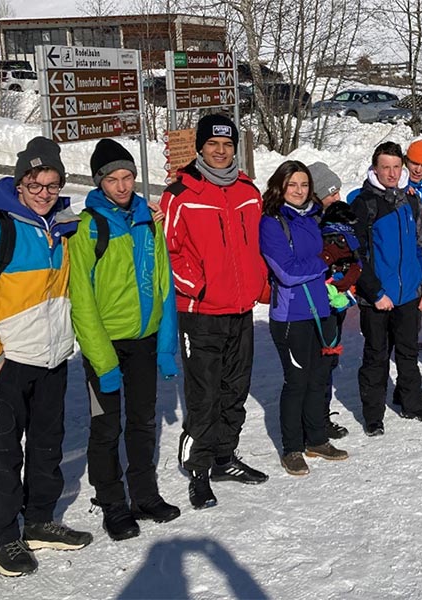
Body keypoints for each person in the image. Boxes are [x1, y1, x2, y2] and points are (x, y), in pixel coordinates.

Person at [0, 136, 92, 577]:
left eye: (51, 184)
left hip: (52, 360)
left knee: (48, 446)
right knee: (6, 452)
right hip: (8, 363)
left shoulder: (63, 228)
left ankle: (40, 521)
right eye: (35, 183)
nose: (44, 192)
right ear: (20, 182)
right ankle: (4, 536)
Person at [69, 139, 181, 541]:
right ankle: (112, 502)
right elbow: (81, 300)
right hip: (107, 345)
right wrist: (102, 359)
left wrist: (167, 349)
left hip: (145, 341)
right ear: (100, 183)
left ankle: (144, 495)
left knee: (142, 421)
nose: (122, 186)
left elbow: (164, 286)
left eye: (128, 177)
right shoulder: (90, 228)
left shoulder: (147, 221)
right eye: (113, 179)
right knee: (105, 427)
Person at [160, 114, 269, 510]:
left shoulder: (247, 191)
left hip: (241, 309)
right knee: (203, 395)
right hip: (202, 311)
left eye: (227, 145)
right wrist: (199, 286)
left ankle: (225, 457)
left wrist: (260, 283)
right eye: (213, 145)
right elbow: (168, 252)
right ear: (201, 147)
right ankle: (200, 469)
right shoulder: (181, 193)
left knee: (234, 390)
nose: (220, 152)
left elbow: (257, 245)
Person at [259, 161, 350, 475]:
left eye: (303, 185)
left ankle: (317, 439)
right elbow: (285, 271)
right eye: (292, 185)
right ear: (280, 187)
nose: (299, 191)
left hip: (321, 310)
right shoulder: (272, 222)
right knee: (296, 382)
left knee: (317, 379)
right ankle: (292, 448)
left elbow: (332, 256)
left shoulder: (314, 217)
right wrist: (325, 260)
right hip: (291, 315)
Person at [352, 141, 422, 435]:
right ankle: (373, 415)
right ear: (375, 168)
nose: (391, 173)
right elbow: (357, 257)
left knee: (408, 352)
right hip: (378, 298)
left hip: (408, 295)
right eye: (385, 167)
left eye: (395, 167)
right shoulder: (364, 203)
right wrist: (376, 294)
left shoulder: (411, 200)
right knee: (376, 356)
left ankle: (411, 402)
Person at [307, 161, 360, 440]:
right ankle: (314, 420)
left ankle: (321, 415)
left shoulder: (334, 222)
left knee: (328, 362)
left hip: (334, 302)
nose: (337, 198)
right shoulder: (311, 225)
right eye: (332, 193)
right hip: (315, 306)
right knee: (318, 363)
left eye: (338, 191)